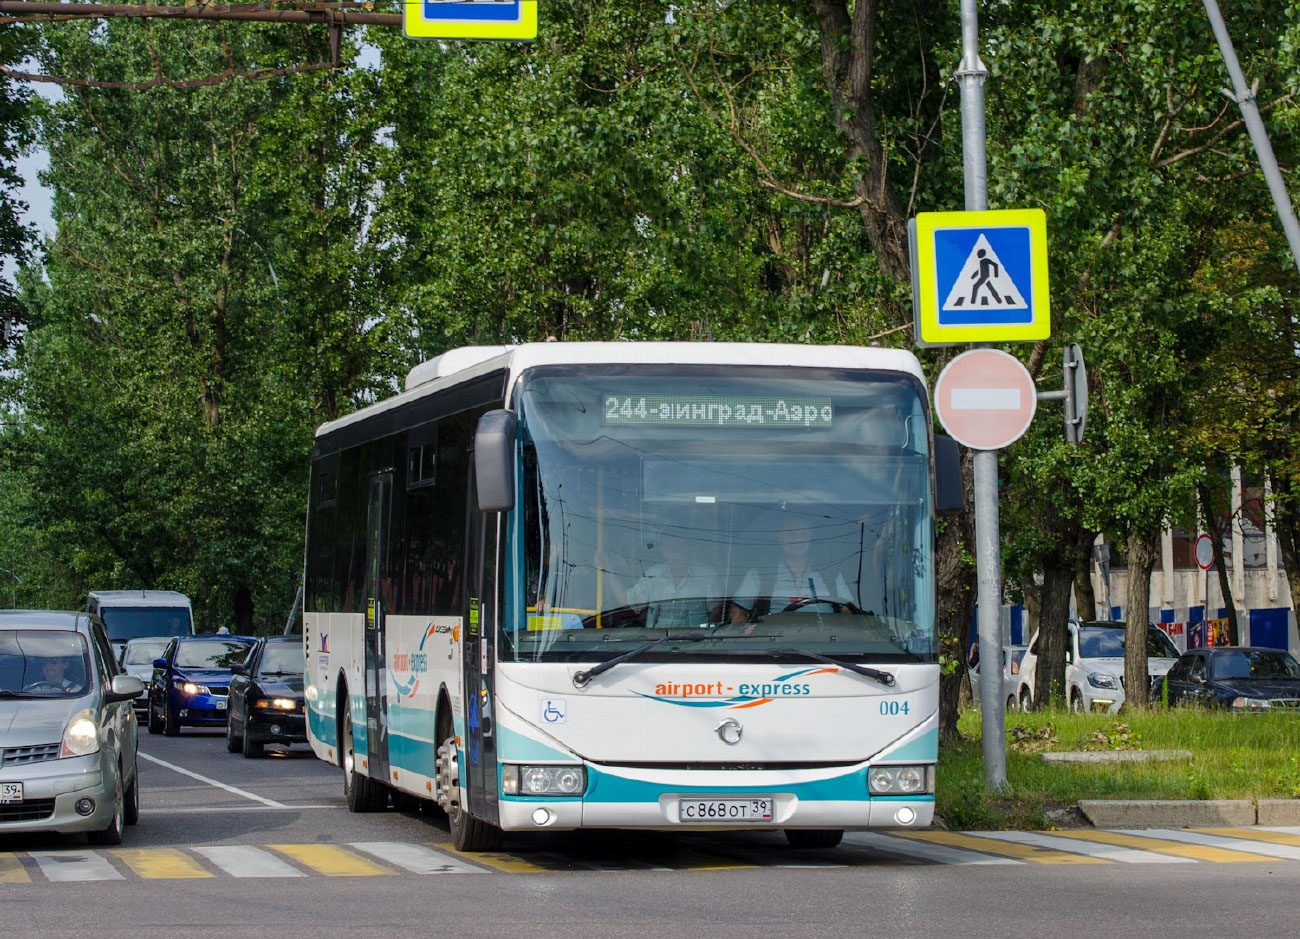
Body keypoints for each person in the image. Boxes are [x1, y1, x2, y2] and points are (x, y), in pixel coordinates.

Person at [730, 515, 854, 620]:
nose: (797, 539)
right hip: (774, 642)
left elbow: (848, 609)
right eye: (791, 534)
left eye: (803, 534)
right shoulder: (760, 574)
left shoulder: (830, 572)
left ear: (810, 537)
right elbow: (737, 608)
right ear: (780, 538)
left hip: (826, 641)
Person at [598, 529, 726, 628]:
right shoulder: (654, 574)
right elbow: (627, 602)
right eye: (670, 547)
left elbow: (716, 610)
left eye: (680, 547)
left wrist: (706, 636)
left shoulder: (708, 575)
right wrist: (608, 568)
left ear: (689, 549)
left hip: (695, 643)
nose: (676, 552)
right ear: (663, 551)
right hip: (656, 645)